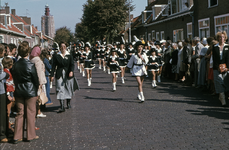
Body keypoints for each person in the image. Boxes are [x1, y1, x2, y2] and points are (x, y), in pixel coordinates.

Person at [11, 41, 39, 144]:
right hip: (30, 90)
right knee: (30, 113)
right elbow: (35, 80)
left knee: (19, 113)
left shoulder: (15, 65)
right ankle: (30, 135)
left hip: (19, 90)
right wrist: (36, 90)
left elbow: (14, 77)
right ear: (28, 52)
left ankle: (17, 136)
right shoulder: (31, 65)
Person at [50, 41, 75, 112]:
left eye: (64, 46)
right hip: (59, 73)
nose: (63, 48)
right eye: (61, 46)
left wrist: (71, 71)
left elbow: (72, 64)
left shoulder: (69, 55)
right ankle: (62, 106)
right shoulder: (57, 55)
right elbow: (53, 66)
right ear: (59, 47)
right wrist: (52, 75)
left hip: (68, 73)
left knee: (68, 88)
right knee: (60, 88)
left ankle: (68, 103)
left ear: (66, 47)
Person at [212, 31, 229, 106]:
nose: (221, 38)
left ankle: (222, 97)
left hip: (226, 68)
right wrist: (217, 67)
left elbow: (228, 58)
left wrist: (227, 68)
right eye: (220, 37)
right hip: (217, 68)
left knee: (225, 83)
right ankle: (223, 100)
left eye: (223, 37)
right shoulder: (215, 47)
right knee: (219, 82)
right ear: (218, 38)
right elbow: (214, 59)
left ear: (225, 38)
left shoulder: (227, 47)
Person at [30, 46, 47, 118]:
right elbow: (39, 72)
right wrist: (40, 82)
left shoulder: (31, 59)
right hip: (39, 81)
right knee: (39, 97)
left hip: (33, 81)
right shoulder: (38, 60)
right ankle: (38, 111)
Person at [2, 57, 15, 132]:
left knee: (8, 111)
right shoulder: (6, 73)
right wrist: (8, 95)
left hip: (10, 91)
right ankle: (7, 126)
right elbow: (6, 84)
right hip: (9, 92)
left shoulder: (6, 71)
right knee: (8, 111)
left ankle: (8, 125)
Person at [0, 44, 10, 143]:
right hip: (0, 91)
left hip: (2, 89)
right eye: (4, 51)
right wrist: (6, 74)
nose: (5, 53)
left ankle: (5, 131)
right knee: (2, 113)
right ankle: (2, 135)